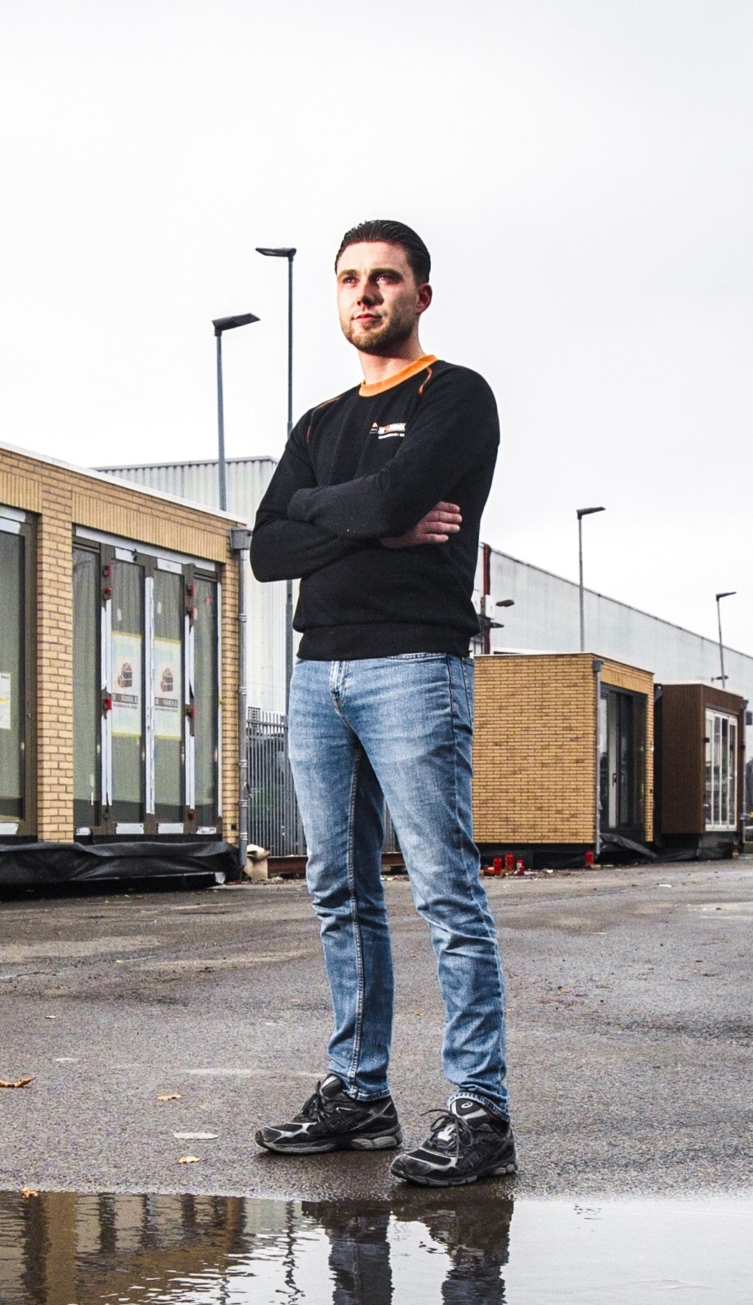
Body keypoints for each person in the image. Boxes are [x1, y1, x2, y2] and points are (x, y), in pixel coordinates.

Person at [249, 219, 512, 1187]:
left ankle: (481, 1113)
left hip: (412, 665)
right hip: (317, 672)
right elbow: (266, 547)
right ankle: (359, 1095)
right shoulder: (318, 422)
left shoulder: (456, 395)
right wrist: (366, 523)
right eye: (351, 280)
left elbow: (391, 501)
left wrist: (348, 513)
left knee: (445, 890)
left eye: (386, 279)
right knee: (336, 891)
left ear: (420, 296)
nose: (366, 295)